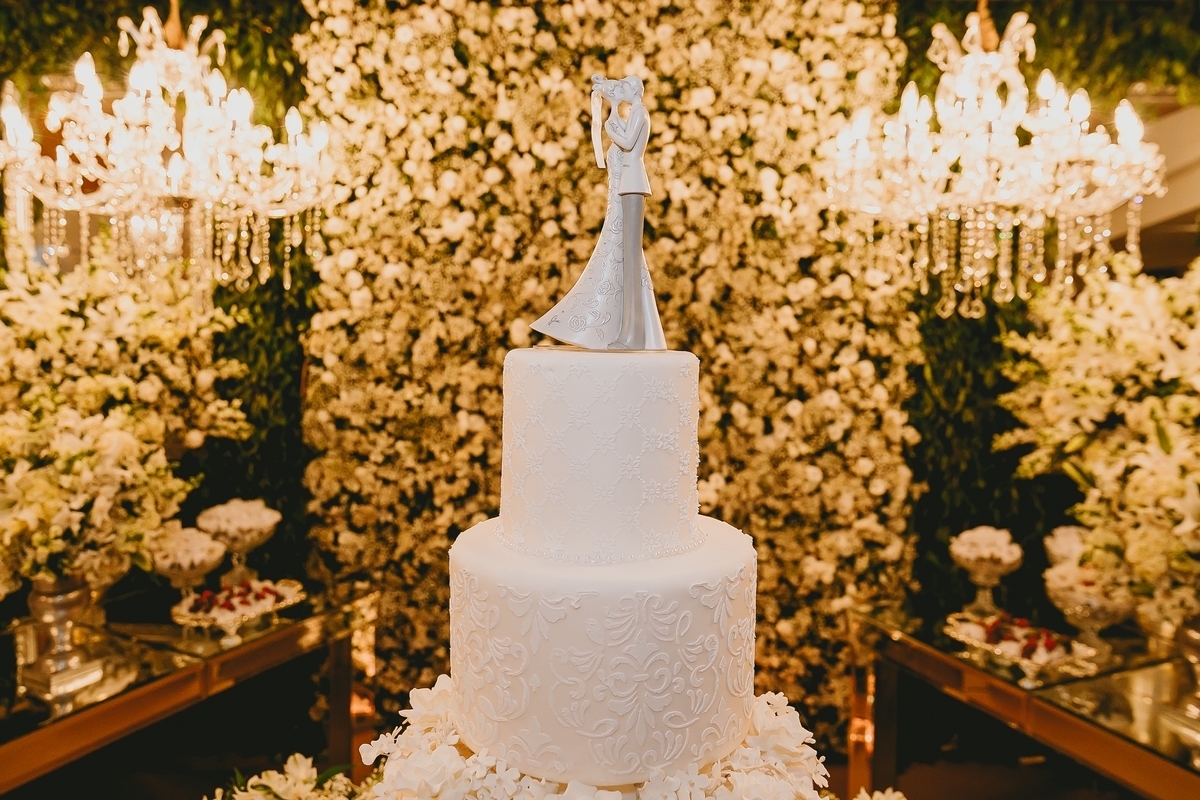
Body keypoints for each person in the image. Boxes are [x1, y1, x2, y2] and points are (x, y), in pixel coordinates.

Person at [530, 74, 665, 351]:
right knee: (628, 260)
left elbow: (627, 143)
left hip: (633, 183)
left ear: (636, 91)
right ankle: (632, 332)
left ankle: (633, 335)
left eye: (625, 86)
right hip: (627, 185)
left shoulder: (640, 111)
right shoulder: (634, 113)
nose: (622, 90)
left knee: (631, 259)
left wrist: (609, 124)